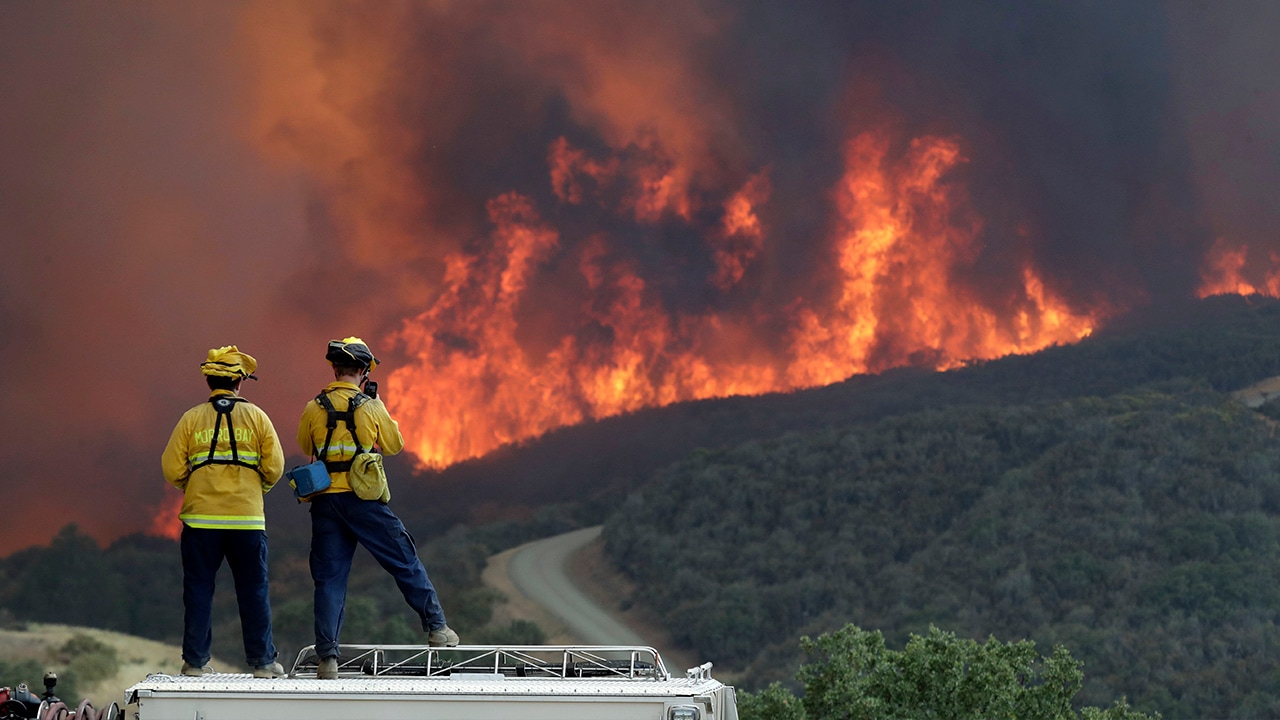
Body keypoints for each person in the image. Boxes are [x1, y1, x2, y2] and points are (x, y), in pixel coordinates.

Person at [298, 337, 458, 679]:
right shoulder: (368, 406)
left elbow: (304, 443)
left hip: (325, 501)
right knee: (403, 557)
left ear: (335, 369)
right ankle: (438, 628)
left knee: (329, 580)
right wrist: (378, 406)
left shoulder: (313, 407)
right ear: (362, 370)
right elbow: (394, 444)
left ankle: (327, 656)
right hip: (364, 500)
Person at [160, 345, 286, 678]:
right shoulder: (258, 417)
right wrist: (255, 490)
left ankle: (195, 663)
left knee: (199, 589)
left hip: (201, 520)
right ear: (239, 382)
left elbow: (172, 468)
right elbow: (275, 467)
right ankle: (263, 663)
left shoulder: (191, 418)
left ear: (210, 382)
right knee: (253, 590)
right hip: (247, 520)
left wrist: (194, 486)